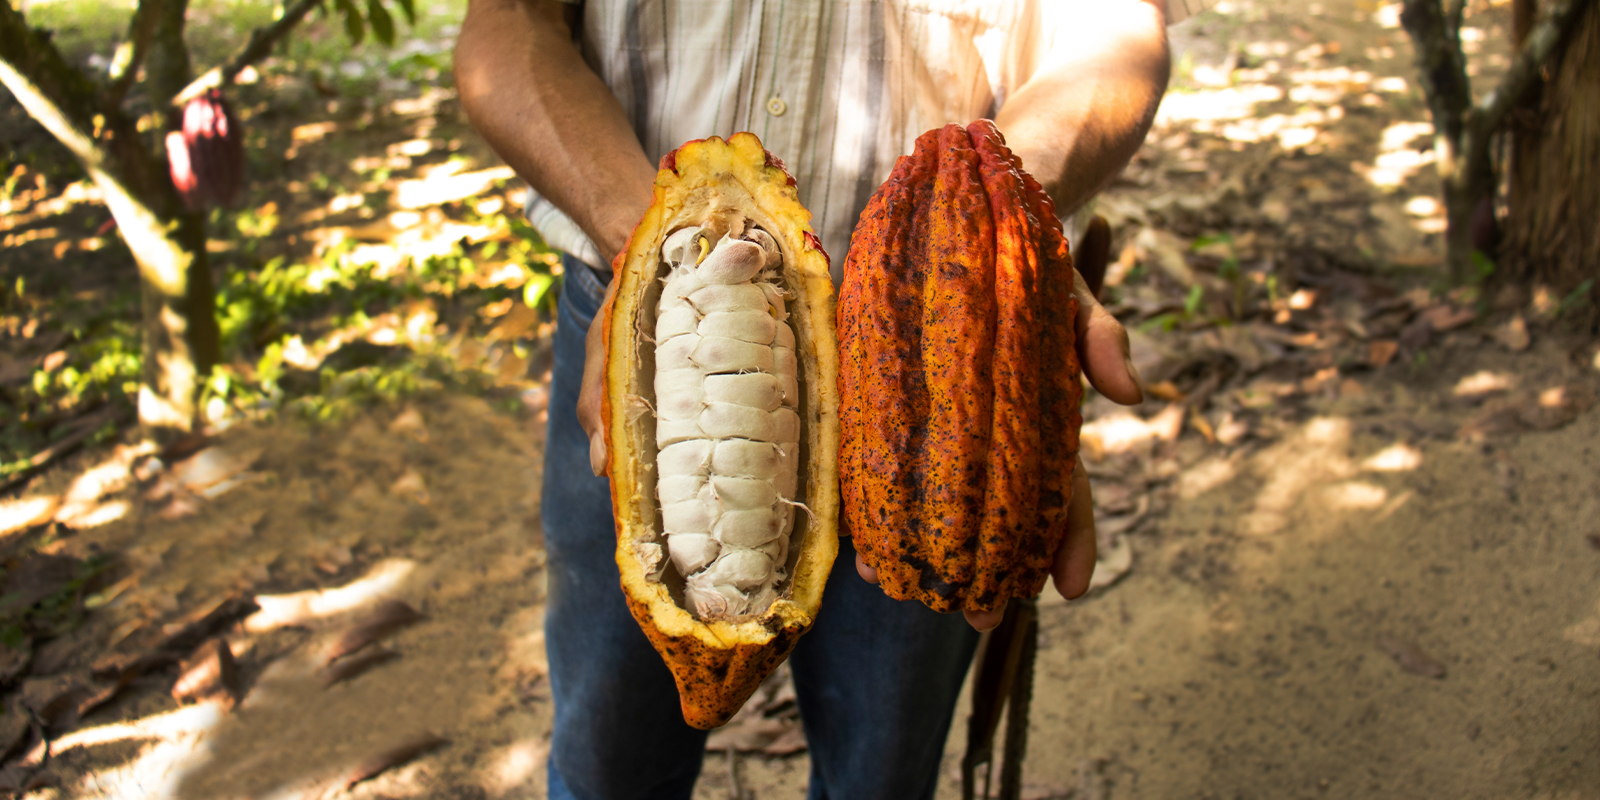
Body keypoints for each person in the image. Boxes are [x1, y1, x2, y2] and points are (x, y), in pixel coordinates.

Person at [455, 2, 1203, 797]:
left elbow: (1114, 28)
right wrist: (647, 244)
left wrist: (990, 231)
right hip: (659, 327)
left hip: (940, 356)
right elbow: (511, 20)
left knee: (880, 772)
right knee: (608, 761)